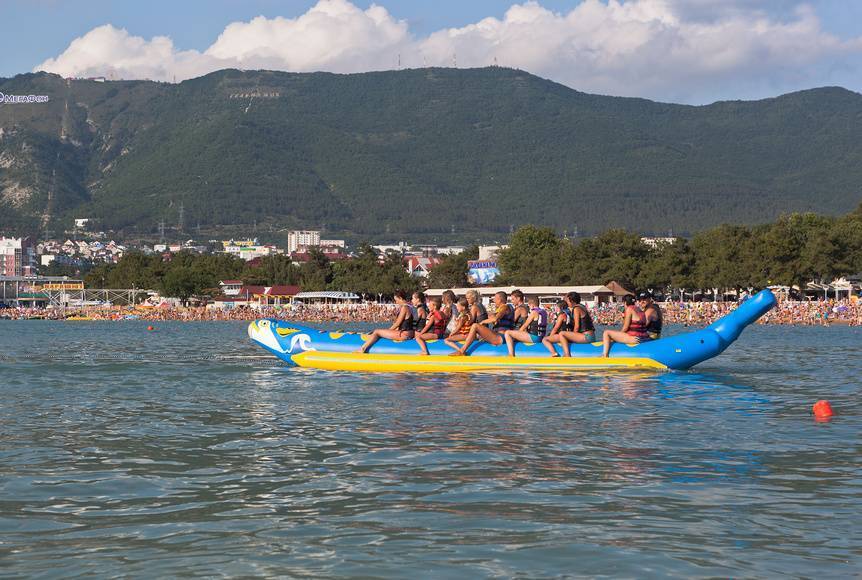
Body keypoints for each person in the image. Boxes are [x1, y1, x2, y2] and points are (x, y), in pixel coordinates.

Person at [449, 291, 513, 356]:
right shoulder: (496, 308)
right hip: (496, 334)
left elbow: (495, 319)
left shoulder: (505, 307)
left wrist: (483, 322)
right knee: (475, 326)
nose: (493, 300)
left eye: (495, 299)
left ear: (500, 299)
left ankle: (462, 350)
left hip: (501, 337)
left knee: (475, 326)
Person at [601, 293, 651, 357]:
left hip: (636, 338)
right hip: (645, 337)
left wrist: (616, 337)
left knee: (606, 333)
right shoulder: (639, 309)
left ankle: (605, 355)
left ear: (625, 302)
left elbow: (625, 327)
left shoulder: (629, 309)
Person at [558, 291, 597, 356]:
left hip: (586, 337)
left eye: (568, 301)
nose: (567, 303)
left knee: (562, 334)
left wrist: (572, 336)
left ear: (572, 301)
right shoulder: (582, 307)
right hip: (591, 336)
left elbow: (577, 326)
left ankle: (567, 355)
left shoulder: (576, 309)